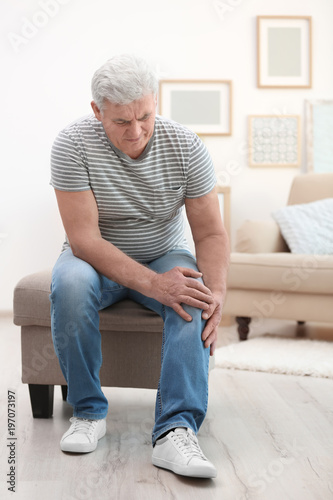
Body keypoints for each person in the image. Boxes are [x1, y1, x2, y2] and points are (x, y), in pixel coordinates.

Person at [50, 54, 229, 479]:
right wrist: (153, 284)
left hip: (164, 253)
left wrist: (216, 294)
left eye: (145, 116)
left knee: (194, 294)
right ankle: (89, 412)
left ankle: (176, 431)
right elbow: (84, 240)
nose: (136, 132)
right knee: (70, 283)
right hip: (95, 259)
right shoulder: (72, 144)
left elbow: (210, 234)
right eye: (120, 122)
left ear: (155, 100)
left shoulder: (186, 145)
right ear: (97, 112)